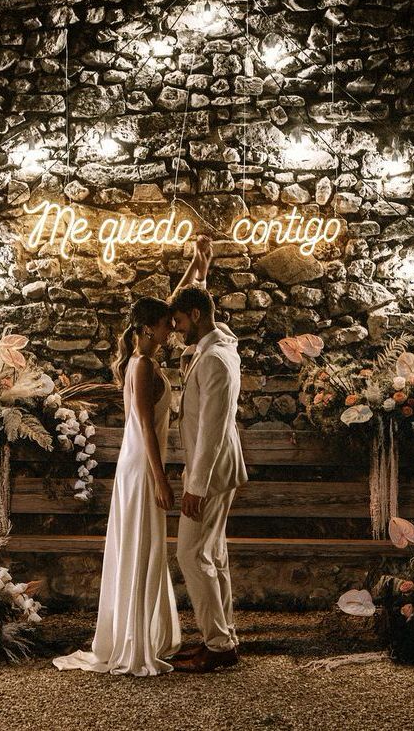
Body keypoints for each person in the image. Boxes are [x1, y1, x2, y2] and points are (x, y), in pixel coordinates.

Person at [53, 295, 181, 676]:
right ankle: (134, 641)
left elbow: (167, 303)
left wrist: (199, 263)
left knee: (145, 546)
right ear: (146, 328)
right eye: (165, 324)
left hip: (137, 464)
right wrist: (161, 478)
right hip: (142, 466)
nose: (171, 328)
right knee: (142, 547)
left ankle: (142, 633)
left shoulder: (143, 361)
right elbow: (143, 423)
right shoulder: (141, 367)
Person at [166, 235, 248, 673]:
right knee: (212, 555)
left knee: (189, 555)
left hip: (212, 472)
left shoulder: (214, 359)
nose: (175, 328)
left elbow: (213, 431)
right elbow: (193, 304)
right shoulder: (219, 342)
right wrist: (199, 270)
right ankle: (224, 636)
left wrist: (195, 486)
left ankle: (217, 644)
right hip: (216, 469)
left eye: (179, 321)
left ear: (195, 317)